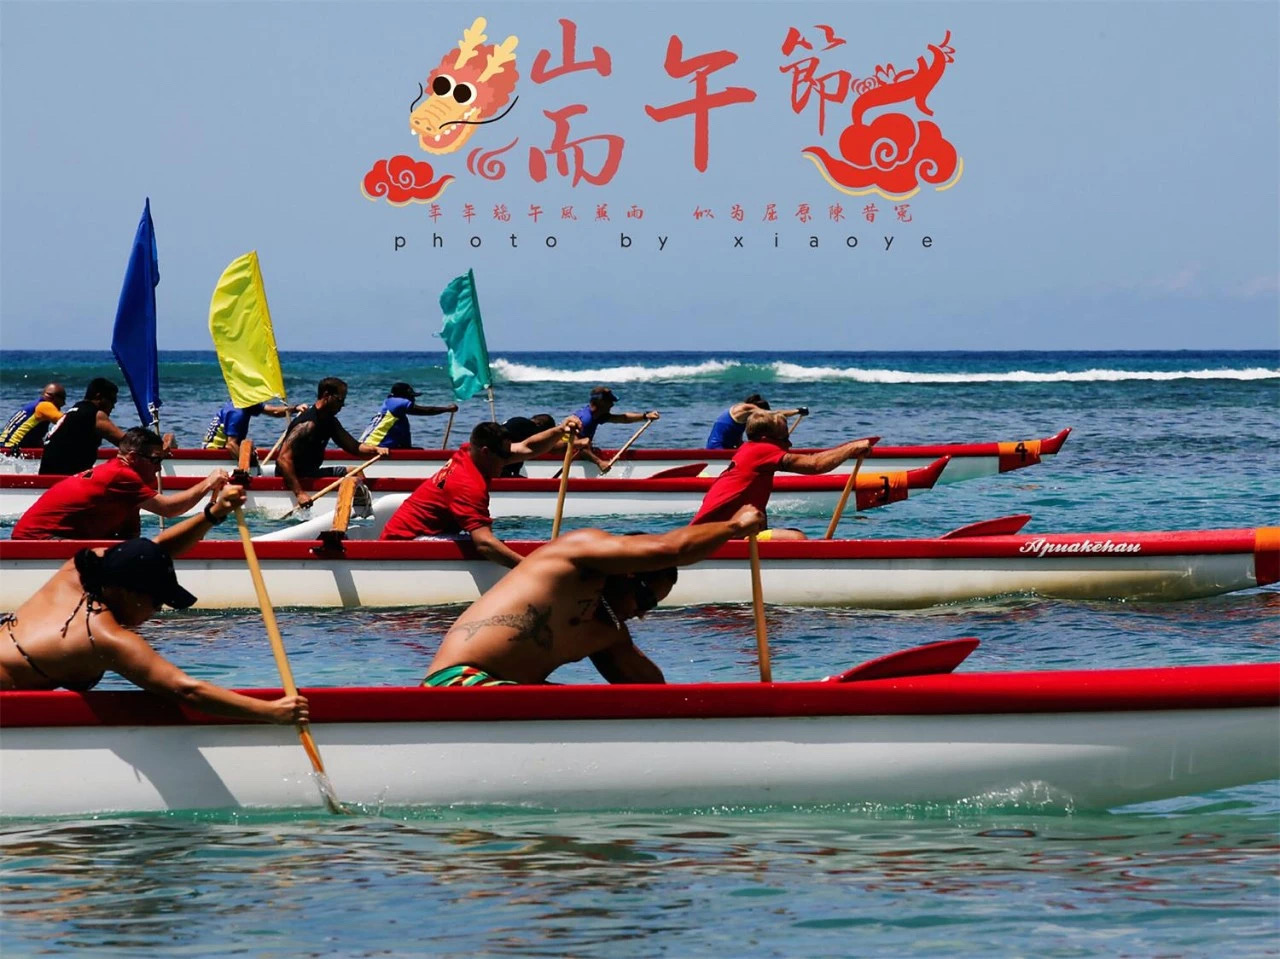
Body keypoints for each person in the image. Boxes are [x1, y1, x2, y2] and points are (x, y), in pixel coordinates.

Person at [1, 483, 309, 724]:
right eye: (157, 602)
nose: (156, 612)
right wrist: (271, 711)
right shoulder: (107, 638)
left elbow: (153, 549)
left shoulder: (80, 569)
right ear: (130, 593)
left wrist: (214, 514)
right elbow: (186, 690)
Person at [421, 504, 766, 686]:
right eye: (645, 600)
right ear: (628, 572)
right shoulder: (576, 554)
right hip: (457, 684)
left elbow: (652, 695)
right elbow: (670, 549)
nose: (641, 613)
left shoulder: (606, 634)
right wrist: (735, 527)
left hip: (506, 694)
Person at [381, 416, 581, 568]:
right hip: (406, 543)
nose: (508, 460)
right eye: (503, 456)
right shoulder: (467, 485)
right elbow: (484, 544)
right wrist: (529, 568)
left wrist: (560, 430)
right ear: (486, 452)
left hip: (415, 533)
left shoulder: (470, 452)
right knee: (483, 542)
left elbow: (527, 447)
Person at [13, 428, 230, 541]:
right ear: (133, 457)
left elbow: (129, 536)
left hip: (49, 538)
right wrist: (207, 483)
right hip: (37, 541)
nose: (158, 468)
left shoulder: (124, 481)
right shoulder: (120, 475)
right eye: (156, 460)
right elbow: (169, 509)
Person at [691, 412, 876, 541]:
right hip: (715, 538)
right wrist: (851, 448)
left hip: (710, 533)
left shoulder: (748, 449)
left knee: (789, 532)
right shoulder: (761, 450)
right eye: (785, 438)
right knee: (796, 538)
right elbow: (814, 465)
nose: (790, 443)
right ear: (767, 438)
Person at [274, 377, 389, 509]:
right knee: (352, 472)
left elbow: (354, 447)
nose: (342, 405)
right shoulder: (307, 424)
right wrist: (299, 493)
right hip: (294, 478)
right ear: (326, 395)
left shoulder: (330, 421)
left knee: (354, 472)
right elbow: (283, 459)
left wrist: (376, 450)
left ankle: (364, 510)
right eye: (340, 400)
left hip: (312, 473)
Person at [38, 378, 127, 475]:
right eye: (112, 401)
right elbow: (129, 444)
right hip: (63, 479)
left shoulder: (74, 411)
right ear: (99, 397)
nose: (113, 406)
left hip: (45, 476)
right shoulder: (94, 415)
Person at [571, 386, 660, 473]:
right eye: (610, 401)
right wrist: (599, 462)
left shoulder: (597, 415)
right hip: (567, 456)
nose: (612, 405)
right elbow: (578, 447)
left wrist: (645, 416)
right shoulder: (585, 420)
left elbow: (624, 418)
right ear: (601, 402)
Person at [359, 382, 458, 450]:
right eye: (411, 396)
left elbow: (405, 445)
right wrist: (447, 409)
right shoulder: (394, 402)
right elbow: (425, 411)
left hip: (380, 448)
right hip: (371, 447)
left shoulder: (399, 419)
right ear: (402, 397)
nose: (414, 399)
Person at [202, 399, 303, 458]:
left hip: (228, 448)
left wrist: (295, 408)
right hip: (215, 453)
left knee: (262, 451)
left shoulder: (245, 402)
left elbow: (274, 411)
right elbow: (231, 445)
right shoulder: (237, 412)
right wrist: (250, 465)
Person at [705, 394, 808, 450]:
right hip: (717, 449)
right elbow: (775, 414)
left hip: (725, 448)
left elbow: (738, 443)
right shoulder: (746, 408)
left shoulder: (742, 420)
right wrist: (798, 411)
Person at [0, 382, 67, 453]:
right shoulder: (45, 406)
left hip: (4, 446)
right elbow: (67, 422)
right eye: (63, 401)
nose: (63, 404)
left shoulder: (35, 405)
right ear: (55, 398)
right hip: (11, 449)